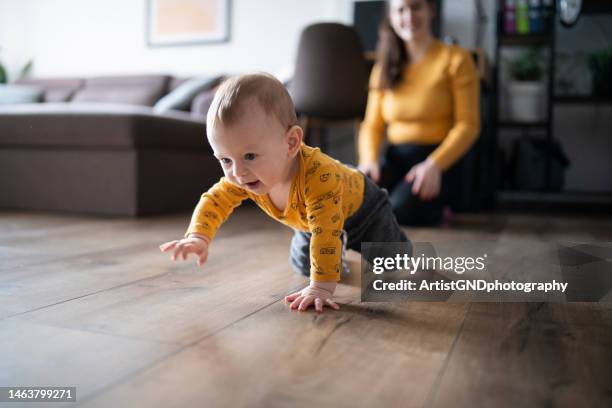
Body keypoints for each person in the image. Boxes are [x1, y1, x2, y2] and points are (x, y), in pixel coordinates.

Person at [160, 73, 410, 313]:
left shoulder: (318, 177)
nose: (237, 172)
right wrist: (199, 237)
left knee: (393, 261)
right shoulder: (245, 176)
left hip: (363, 208)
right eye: (225, 159)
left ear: (291, 143)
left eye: (249, 156)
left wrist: (321, 288)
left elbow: (325, 233)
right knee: (303, 264)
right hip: (310, 223)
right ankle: (337, 254)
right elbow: (215, 200)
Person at [358, 0, 481, 226]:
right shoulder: (383, 67)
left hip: (439, 162)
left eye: (416, 7)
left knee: (394, 213)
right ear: (391, 17)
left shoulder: (456, 59)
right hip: (396, 159)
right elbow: (372, 126)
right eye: (400, 10)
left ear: (431, 10)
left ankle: (439, 208)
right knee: (355, 201)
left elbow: (468, 125)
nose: (408, 16)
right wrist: (369, 160)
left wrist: (434, 164)